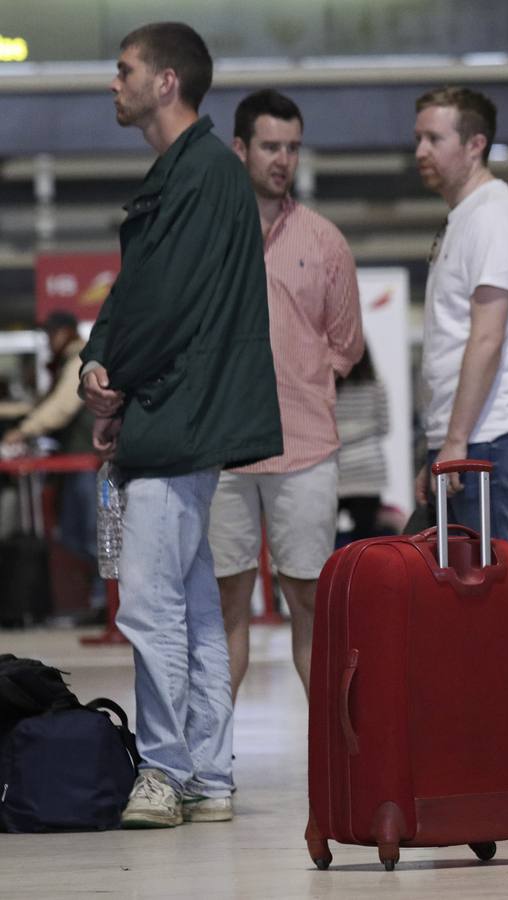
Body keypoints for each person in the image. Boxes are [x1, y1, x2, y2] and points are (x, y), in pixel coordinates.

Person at [79, 22, 281, 828]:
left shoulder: (200, 175)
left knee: (151, 604)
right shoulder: (186, 174)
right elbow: (138, 293)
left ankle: (163, 770)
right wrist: (101, 365)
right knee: (195, 607)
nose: (113, 82)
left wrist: (115, 383)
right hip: (179, 416)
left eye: (124, 70)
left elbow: (165, 305)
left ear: (167, 83)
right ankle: (208, 771)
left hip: (178, 418)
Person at [208, 89, 364, 702]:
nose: (283, 159)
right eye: (271, 146)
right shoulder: (209, 237)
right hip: (221, 450)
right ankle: (209, 766)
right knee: (225, 602)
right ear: (240, 148)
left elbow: (345, 344)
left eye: (293, 148)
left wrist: (297, 376)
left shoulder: (325, 241)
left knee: (309, 600)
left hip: (304, 447)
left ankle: (332, 767)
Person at [412, 87, 508, 556]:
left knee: (496, 601)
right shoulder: (463, 218)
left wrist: (455, 441)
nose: (421, 151)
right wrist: (436, 445)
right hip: (469, 437)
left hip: (491, 437)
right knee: (461, 606)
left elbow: (487, 336)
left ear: (475, 144)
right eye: (419, 139)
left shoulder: (493, 215)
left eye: (434, 138)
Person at [2, 313, 100, 603]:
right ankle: (104, 602)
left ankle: (107, 603)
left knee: (92, 537)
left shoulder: (82, 358)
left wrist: (22, 430)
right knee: (73, 535)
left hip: (87, 462)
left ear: (65, 332)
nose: (48, 340)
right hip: (76, 462)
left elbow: (62, 406)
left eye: (51, 334)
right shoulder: (67, 362)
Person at [335, 349, 390, 544]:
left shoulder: (329, 389)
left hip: (337, 467)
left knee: (324, 540)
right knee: (366, 542)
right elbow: (385, 426)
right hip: (369, 466)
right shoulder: (376, 386)